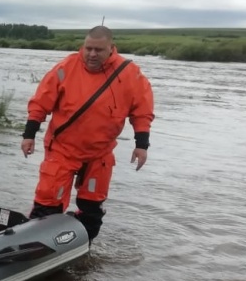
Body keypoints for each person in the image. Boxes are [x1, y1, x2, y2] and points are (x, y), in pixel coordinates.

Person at [20, 25, 154, 241]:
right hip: (63, 149)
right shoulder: (65, 68)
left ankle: (79, 249)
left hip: (99, 153)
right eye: (88, 48)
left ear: (111, 49)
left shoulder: (130, 75)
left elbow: (142, 111)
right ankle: (33, 246)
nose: (92, 54)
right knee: (46, 206)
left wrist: (142, 145)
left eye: (98, 50)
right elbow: (40, 103)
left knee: (92, 211)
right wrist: (29, 135)